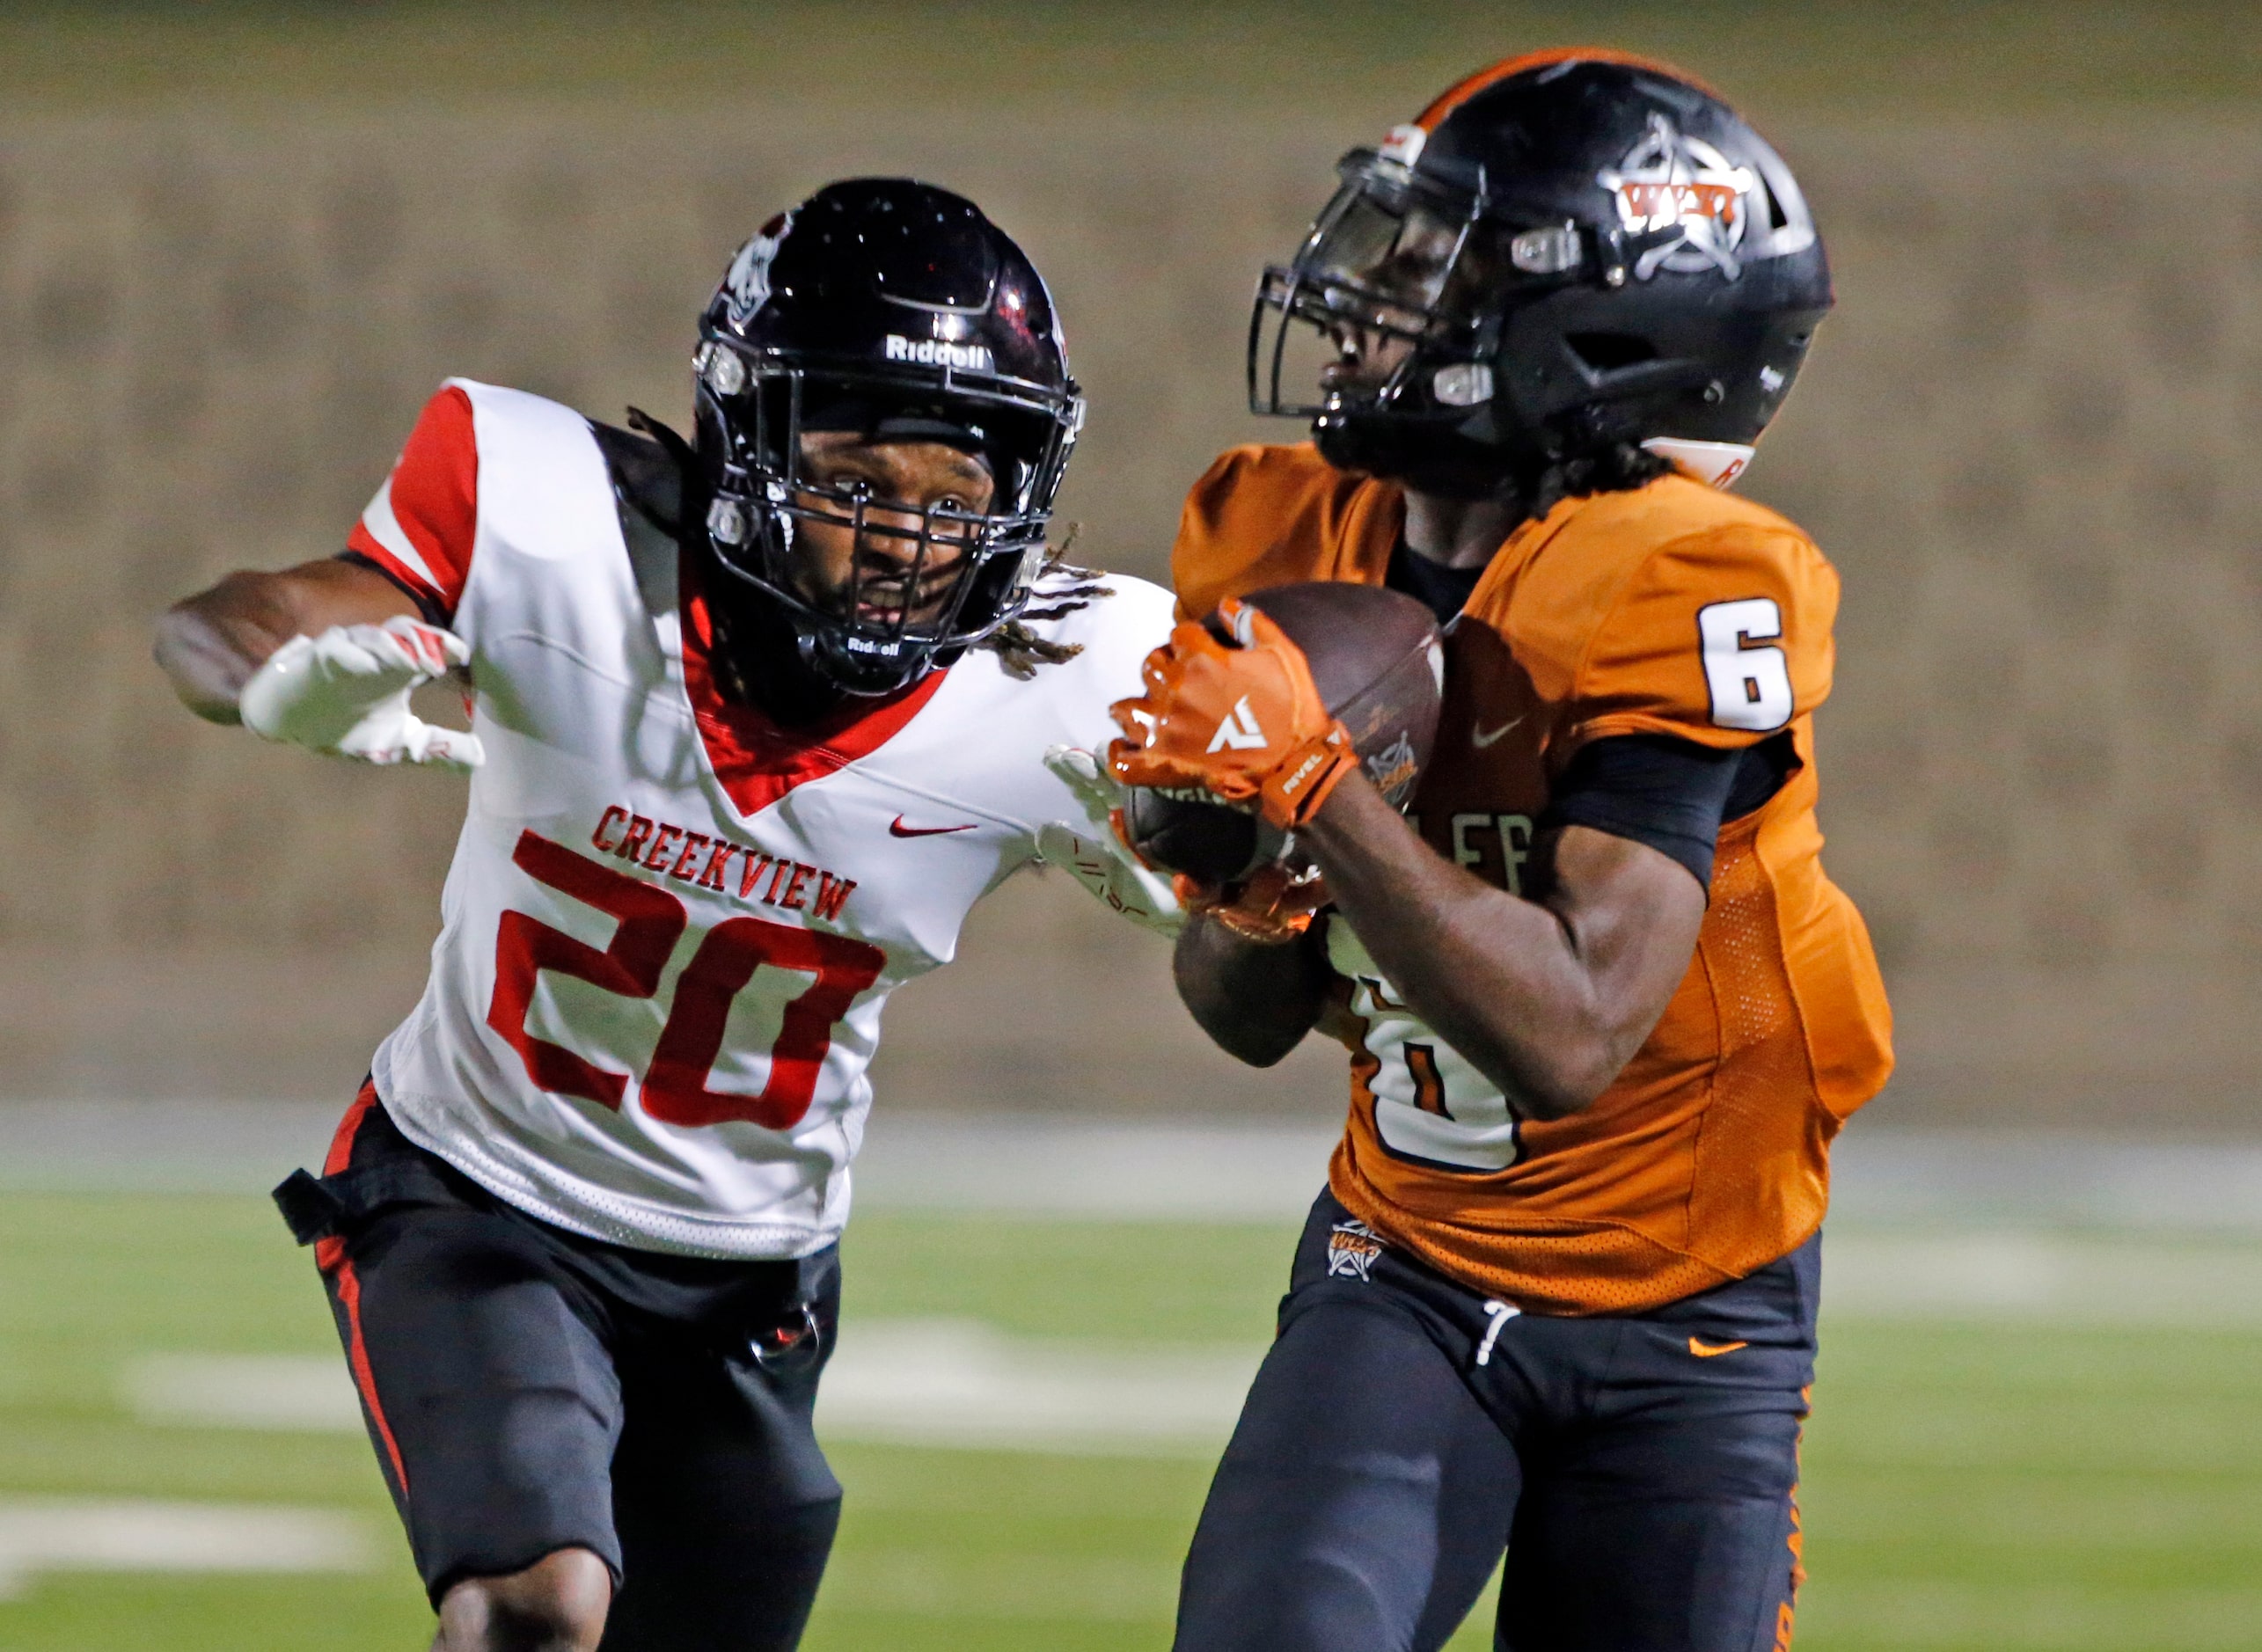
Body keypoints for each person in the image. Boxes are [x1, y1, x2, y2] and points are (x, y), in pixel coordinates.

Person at [153, 178, 1176, 1652]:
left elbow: (1274, 946)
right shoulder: (555, 524)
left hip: (754, 1284)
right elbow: (226, 620)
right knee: (532, 1606)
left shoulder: (1072, 682)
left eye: (960, 493)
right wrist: (280, 665)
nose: (907, 536)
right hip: (480, 1195)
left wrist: (1236, 873)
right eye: (861, 476)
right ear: (750, 442)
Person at [1106, 52, 1894, 1652]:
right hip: (1407, 1262)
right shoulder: (1283, 532)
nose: (1368, 301)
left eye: (1429, 266)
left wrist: (1318, 790)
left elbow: (1573, 1030)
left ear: (1597, 334)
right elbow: (1243, 1014)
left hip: (1692, 1312)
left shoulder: (1688, 580)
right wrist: (1251, 878)